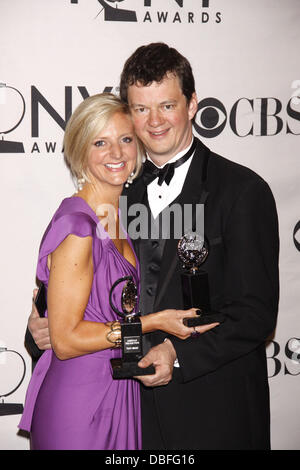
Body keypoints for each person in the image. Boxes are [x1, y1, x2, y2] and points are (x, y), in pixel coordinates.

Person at [26, 43, 279, 450]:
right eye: (141, 109)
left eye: (167, 105)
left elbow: (255, 314)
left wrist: (177, 356)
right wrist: (40, 324)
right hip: (129, 410)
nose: (155, 122)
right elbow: (79, 296)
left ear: (193, 104)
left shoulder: (242, 191)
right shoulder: (117, 195)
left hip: (212, 410)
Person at [19, 92, 217, 450]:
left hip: (120, 389)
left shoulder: (122, 217)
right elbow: (65, 342)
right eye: (101, 142)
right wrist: (154, 322)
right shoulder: (78, 225)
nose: (116, 153)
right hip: (79, 404)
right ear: (80, 150)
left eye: (126, 139)